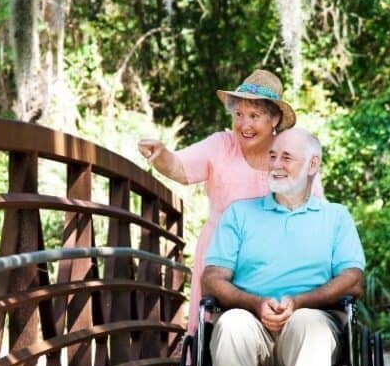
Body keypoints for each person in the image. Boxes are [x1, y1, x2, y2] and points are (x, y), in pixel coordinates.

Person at [200, 127, 365, 366]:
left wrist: (300, 302)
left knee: (309, 323)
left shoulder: (335, 217)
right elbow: (212, 279)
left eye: (286, 157)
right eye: (272, 156)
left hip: (311, 319)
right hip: (251, 320)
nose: (275, 163)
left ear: (313, 165)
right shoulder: (240, 215)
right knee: (228, 324)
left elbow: (353, 280)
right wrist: (254, 303)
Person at [138, 69, 324, 333]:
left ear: (274, 119)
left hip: (276, 261)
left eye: (254, 116)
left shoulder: (291, 152)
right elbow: (180, 167)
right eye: (239, 114)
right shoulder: (221, 145)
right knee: (216, 334)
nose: (244, 125)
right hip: (220, 258)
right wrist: (161, 155)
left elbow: (316, 210)